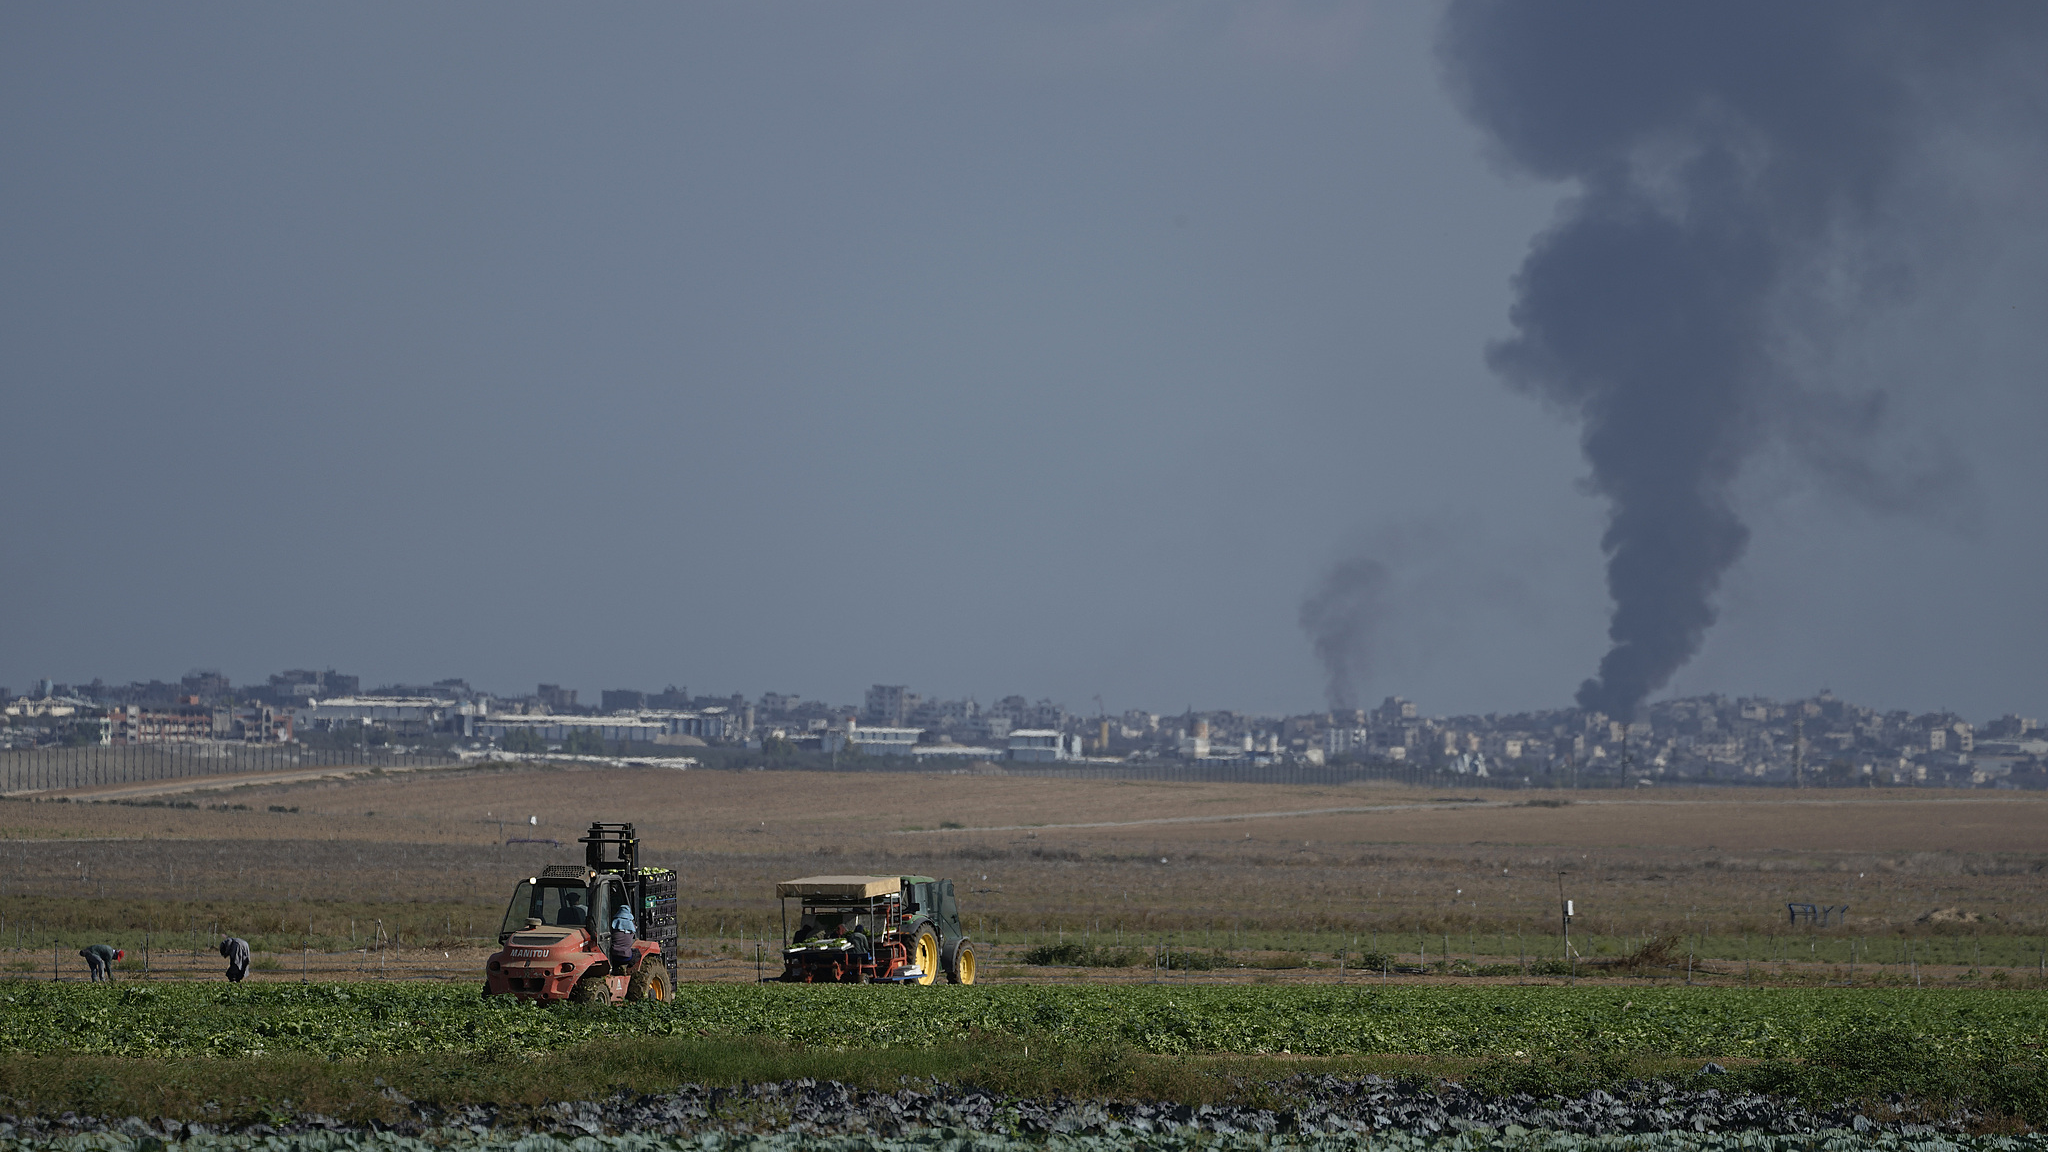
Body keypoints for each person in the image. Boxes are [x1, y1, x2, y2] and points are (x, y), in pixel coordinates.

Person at [609, 900, 637, 971]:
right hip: (626, 957)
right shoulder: (632, 928)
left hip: (614, 956)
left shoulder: (613, 926)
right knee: (637, 953)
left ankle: (616, 968)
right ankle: (627, 967)